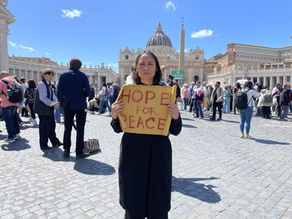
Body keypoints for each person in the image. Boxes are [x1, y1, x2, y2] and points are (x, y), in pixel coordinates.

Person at [110, 50, 182, 219]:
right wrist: (114, 115)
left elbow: (176, 130)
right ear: (136, 68)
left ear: (157, 68)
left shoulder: (166, 92)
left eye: (150, 64)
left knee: (158, 205)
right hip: (132, 154)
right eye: (142, 64)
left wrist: (176, 116)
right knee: (133, 206)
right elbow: (118, 128)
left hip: (159, 155)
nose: (146, 67)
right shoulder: (128, 91)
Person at [57, 57, 91, 159]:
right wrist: (82, 94)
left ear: (70, 64)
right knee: (80, 129)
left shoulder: (63, 75)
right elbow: (88, 92)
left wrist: (63, 103)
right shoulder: (83, 76)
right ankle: (79, 152)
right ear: (80, 66)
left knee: (67, 128)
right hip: (80, 105)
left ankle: (66, 150)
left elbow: (59, 91)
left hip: (68, 105)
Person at [34, 69, 63, 152]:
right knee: (44, 127)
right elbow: (43, 98)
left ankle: (55, 142)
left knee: (51, 126)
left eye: (52, 75)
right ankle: (43, 144)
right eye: (49, 75)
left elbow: (51, 95)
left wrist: (55, 102)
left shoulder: (48, 84)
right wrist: (53, 104)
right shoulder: (42, 84)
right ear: (44, 75)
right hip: (43, 109)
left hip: (48, 108)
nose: (51, 76)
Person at [0, 71, 21, 143]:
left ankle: (11, 137)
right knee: (12, 120)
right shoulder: (14, 81)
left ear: (2, 75)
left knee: (8, 121)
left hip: (6, 103)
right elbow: (20, 89)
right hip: (15, 103)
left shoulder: (2, 82)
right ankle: (15, 135)